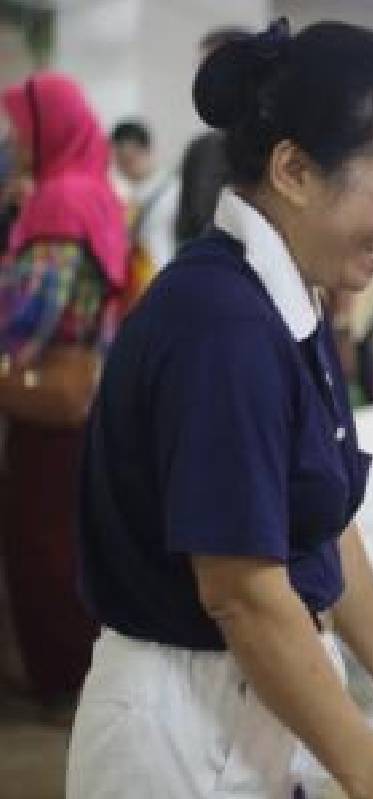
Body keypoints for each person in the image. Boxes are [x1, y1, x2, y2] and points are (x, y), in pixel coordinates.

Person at [66, 19, 373, 799]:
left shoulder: (287, 300)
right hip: (184, 726)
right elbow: (244, 595)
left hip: (254, 705)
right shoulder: (222, 326)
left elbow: (313, 520)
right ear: (294, 169)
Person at [0, 72, 126, 706]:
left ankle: (61, 681)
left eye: (21, 128)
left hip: (50, 392)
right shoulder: (92, 191)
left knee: (42, 547)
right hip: (87, 390)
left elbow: (31, 314)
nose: (15, 141)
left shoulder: (59, 200)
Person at [173, 26, 249, 248]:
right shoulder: (202, 150)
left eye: (212, 68)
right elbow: (187, 230)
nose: (203, 81)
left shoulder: (283, 146)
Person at [110, 118, 181, 274]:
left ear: (148, 150)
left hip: (165, 274)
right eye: (119, 161)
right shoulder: (120, 195)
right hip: (136, 281)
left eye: (129, 159)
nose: (124, 167)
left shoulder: (175, 191)